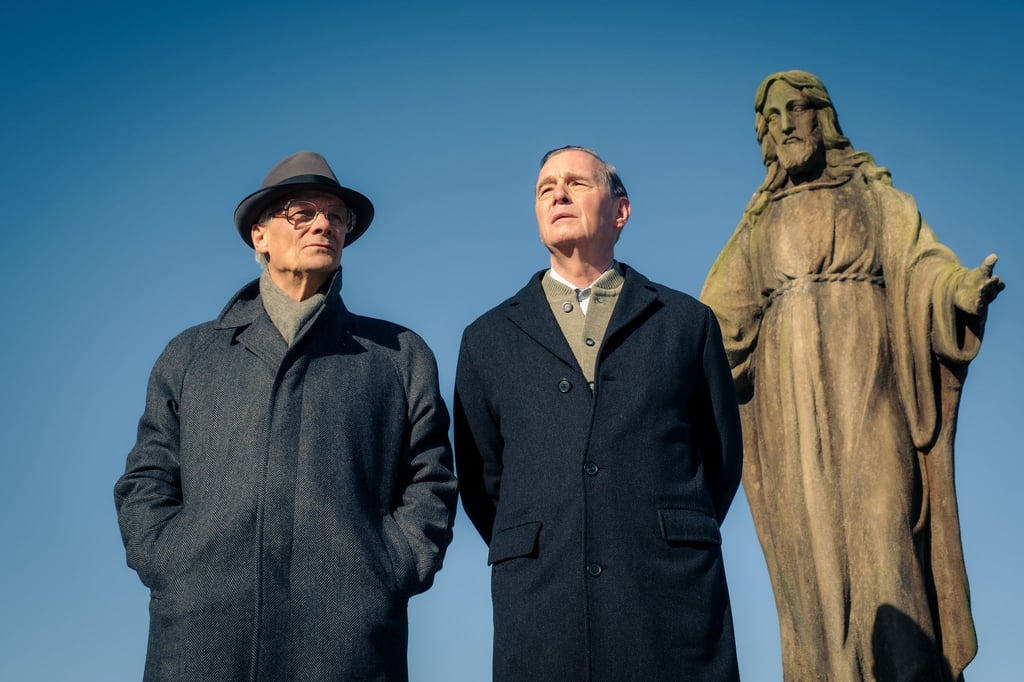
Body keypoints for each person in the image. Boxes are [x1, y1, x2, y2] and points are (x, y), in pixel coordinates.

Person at [701, 71, 1004, 681]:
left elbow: (925, 266)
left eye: (798, 108)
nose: (786, 123)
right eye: (773, 118)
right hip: (794, 421)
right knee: (812, 566)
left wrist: (959, 290)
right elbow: (711, 322)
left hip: (872, 393)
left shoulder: (872, 196)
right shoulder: (758, 224)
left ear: (824, 117)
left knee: (888, 536)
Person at [114, 151, 457, 680]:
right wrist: (172, 561)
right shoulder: (190, 356)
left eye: (336, 217)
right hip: (201, 638)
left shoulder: (399, 355)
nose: (324, 224)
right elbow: (147, 479)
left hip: (349, 640)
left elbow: (430, 480)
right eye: (302, 213)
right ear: (260, 236)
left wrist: (392, 565)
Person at [455, 146, 743, 681]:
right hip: (542, 606)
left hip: (668, 602)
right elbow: (482, 479)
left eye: (576, 184)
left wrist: (653, 529)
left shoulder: (687, 322)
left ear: (620, 210)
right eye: (546, 189)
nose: (558, 194)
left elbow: (719, 459)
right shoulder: (485, 339)